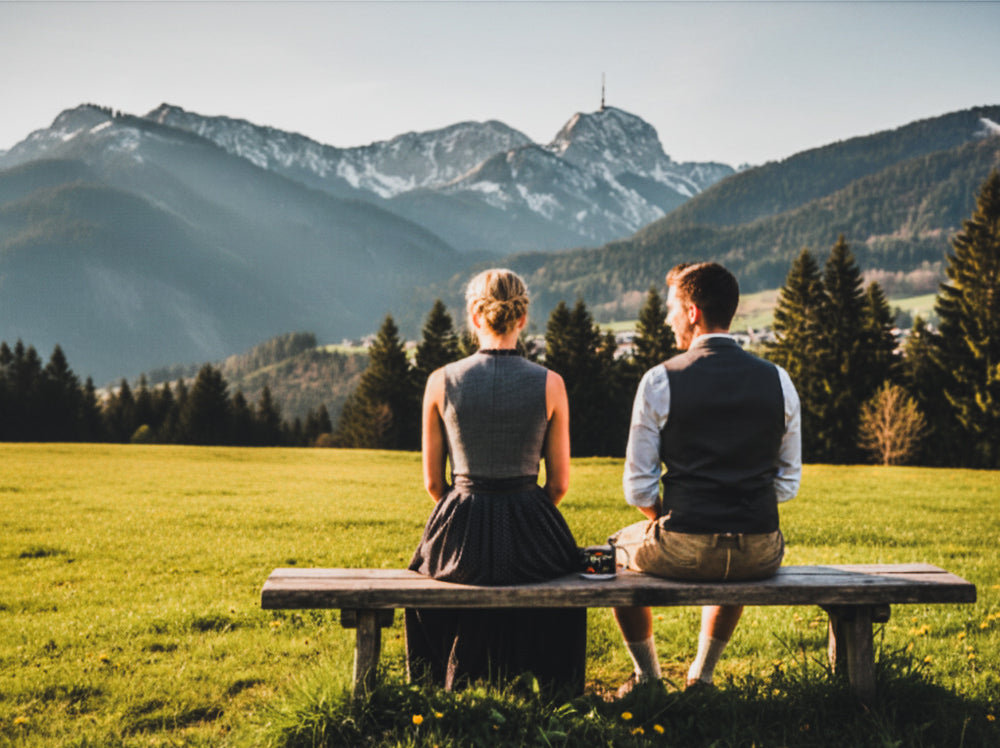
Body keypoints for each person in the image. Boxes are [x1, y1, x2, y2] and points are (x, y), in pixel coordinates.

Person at [611, 261, 801, 695]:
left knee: (613, 554)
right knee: (734, 567)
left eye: (672, 308)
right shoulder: (779, 380)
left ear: (693, 311)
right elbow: (788, 484)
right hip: (760, 550)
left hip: (684, 546)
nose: (667, 318)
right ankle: (703, 676)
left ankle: (647, 678)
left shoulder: (660, 380)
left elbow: (637, 488)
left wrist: (670, 519)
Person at [405, 268, 586, 694]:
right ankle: (552, 687)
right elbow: (558, 484)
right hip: (532, 530)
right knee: (562, 582)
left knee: (428, 578)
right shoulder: (551, 384)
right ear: (522, 319)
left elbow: (433, 482)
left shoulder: (440, 382)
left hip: (460, 529)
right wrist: (523, 515)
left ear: (473, 315)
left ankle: (439, 685)